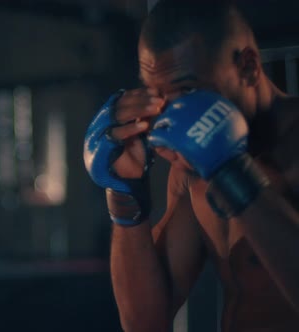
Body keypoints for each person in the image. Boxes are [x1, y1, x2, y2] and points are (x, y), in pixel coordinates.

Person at [83, 1, 299, 331]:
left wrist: (232, 172)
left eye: (188, 90)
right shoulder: (190, 172)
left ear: (249, 67)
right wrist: (123, 190)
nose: (173, 112)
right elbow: (145, 323)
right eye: (159, 96)